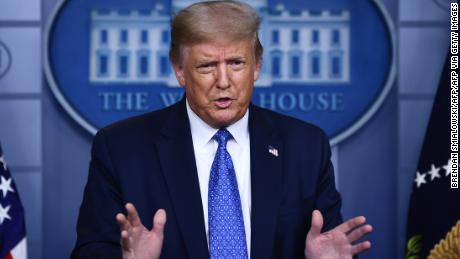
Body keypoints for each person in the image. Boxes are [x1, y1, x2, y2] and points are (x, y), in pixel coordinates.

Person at [71, 1, 372, 258]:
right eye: (206, 66)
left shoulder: (306, 146)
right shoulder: (121, 148)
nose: (224, 81)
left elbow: (332, 245)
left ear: (256, 66)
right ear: (179, 70)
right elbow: (89, 250)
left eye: (237, 63)